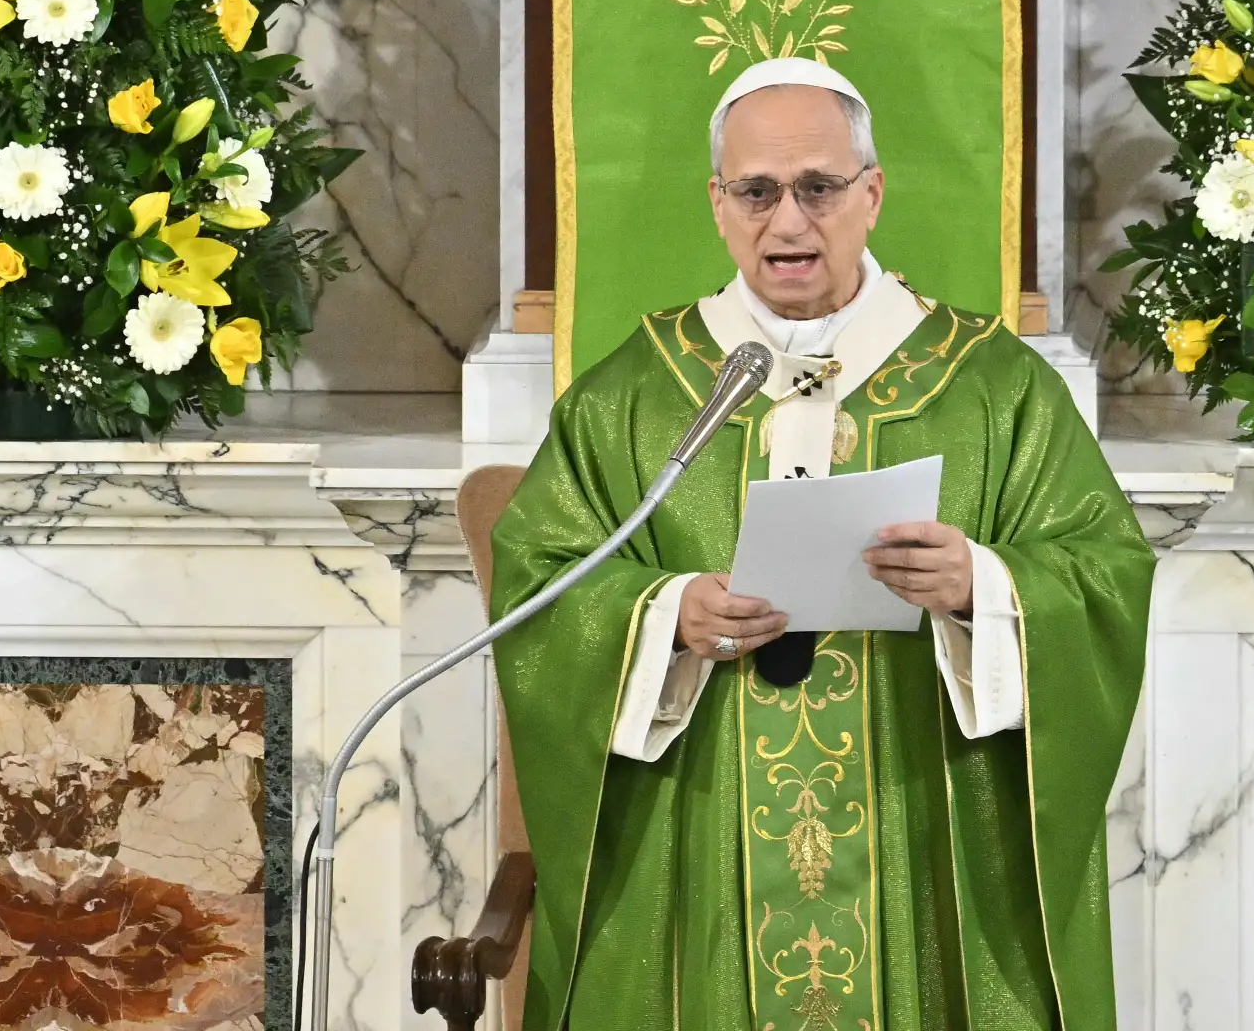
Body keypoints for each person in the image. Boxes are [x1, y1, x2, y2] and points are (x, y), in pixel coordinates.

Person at [490, 57, 1154, 1030]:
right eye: (757, 191)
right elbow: (540, 582)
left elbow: (1106, 572)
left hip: (920, 831)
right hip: (702, 851)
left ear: (871, 194)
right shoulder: (636, 391)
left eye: (819, 187)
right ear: (718, 205)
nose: (788, 222)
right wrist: (667, 614)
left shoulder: (993, 387)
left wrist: (983, 584)